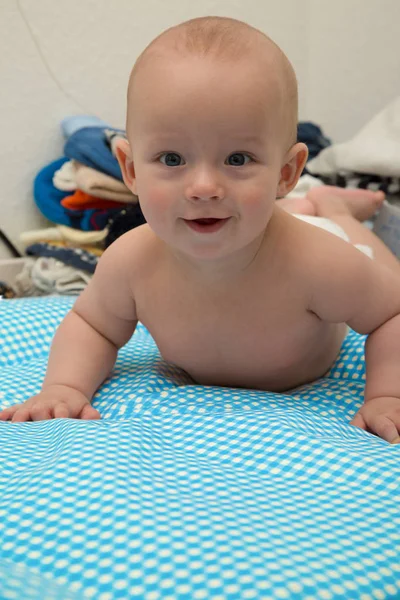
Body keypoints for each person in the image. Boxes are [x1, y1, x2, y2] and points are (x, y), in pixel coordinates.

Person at [1, 16, 400, 444]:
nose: (205, 188)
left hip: (319, 233)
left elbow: (390, 314)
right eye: (172, 159)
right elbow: (93, 324)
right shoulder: (130, 262)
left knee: (374, 255)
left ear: (286, 172)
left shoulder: (321, 263)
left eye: (238, 159)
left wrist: (386, 394)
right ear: (131, 170)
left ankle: (334, 208)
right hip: (261, 218)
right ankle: (315, 202)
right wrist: (64, 387)